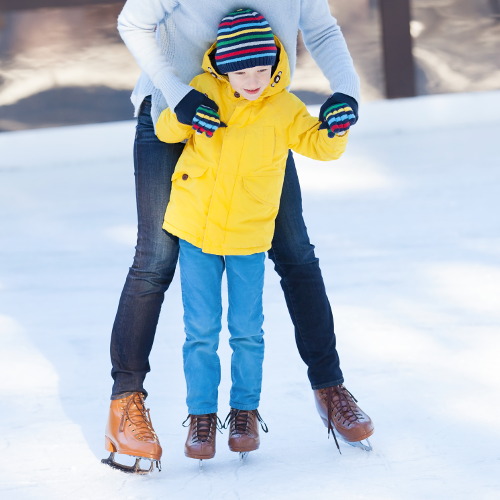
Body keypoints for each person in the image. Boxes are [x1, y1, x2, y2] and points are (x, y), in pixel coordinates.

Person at [103, 0, 374, 474]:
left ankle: (330, 388)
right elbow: (134, 21)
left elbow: (322, 30)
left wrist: (346, 92)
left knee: (294, 251)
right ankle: (125, 406)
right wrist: (177, 92)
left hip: (257, 118)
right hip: (178, 114)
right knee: (156, 258)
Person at [154, 9, 351, 462]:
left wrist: (337, 126)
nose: (253, 79)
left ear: (275, 63)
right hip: (196, 229)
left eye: (262, 69)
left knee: (247, 331)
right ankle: (201, 418)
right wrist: (185, 114)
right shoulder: (204, 91)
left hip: (250, 235)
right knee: (200, 330)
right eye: (242, 70)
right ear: (222, 66)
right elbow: (166, 128)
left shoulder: (283, 108)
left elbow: (318, 145)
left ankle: (244, 413)